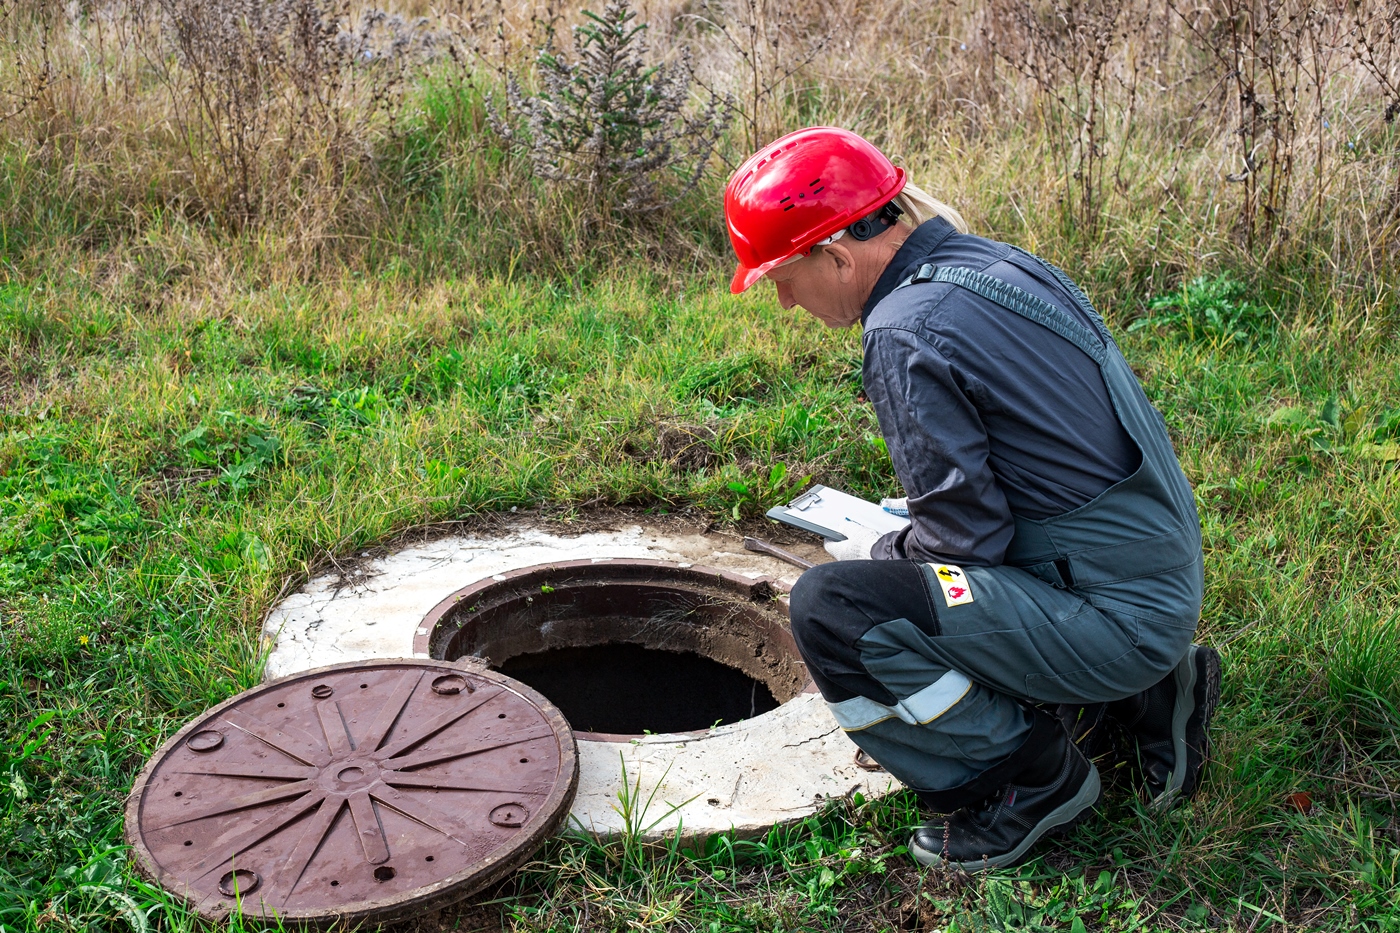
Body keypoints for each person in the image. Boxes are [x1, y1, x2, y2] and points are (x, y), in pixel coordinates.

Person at [723, 126, 1221, 871]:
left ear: (836, 255)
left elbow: (961, 546)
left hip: (1115, 615)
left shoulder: (900, 331)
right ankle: (1150, 690)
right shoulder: (989, 263)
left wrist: (880, 551)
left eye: (783, 277)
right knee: (908, 562)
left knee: (836, 611)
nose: (787, 301)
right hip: (1153, 573)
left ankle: (1024, 779)